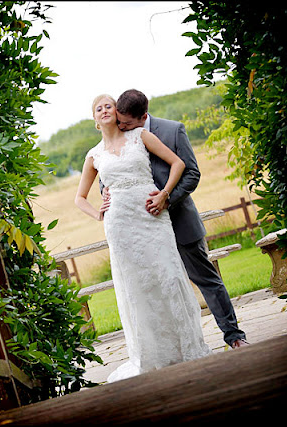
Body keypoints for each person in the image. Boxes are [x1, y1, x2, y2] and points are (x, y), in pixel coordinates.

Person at [75, 94, 211, 382]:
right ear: (95, 120)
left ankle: (186, 347)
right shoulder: (94, 156)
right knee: (136, 287)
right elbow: (80, 198)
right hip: (120, 226)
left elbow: (177, 164)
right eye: (98, 108)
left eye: (108, 105)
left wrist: (165, 194)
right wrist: (99, 214)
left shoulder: (141, 136)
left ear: (117, 111)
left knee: (168, 277)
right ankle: (151, 354)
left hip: (152, 218)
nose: (104, 110)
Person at [105, 89, 248, 350]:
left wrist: (167, 198)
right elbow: (110, 173)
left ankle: (234, 336)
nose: (122, 128)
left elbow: (192, 172)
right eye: (119, 123)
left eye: (126, 123)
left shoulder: (172, 130)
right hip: (143, 228)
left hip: (180, 220)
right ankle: (171, 349)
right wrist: (105, 192)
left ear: (143, 116)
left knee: (206, 280)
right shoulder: (121, 136)